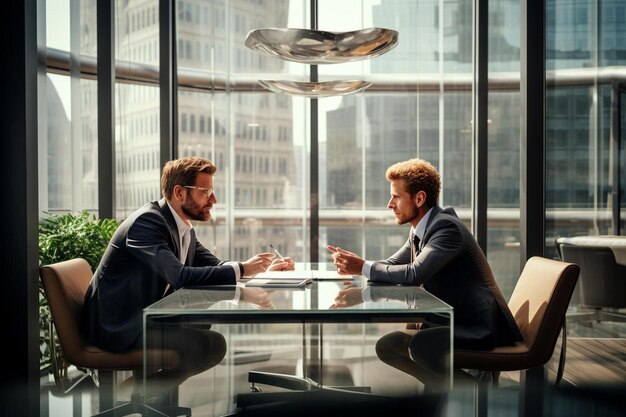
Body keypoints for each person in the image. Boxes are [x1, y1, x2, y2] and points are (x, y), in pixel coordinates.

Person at [80, 156, 294, 403]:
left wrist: (262, 270)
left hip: (146, 316)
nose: (213, 200)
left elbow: (216, 266)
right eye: (206, 192)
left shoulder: (182, 228)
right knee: (207, 345)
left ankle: (143, 391)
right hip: (117, 326)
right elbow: (179, 276)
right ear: (179, 192)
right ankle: (135, 391)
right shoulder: (147, 222)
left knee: (207, 330)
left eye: (212, 191)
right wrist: (244, 269)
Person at [327, 158, 521, 390]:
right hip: (451, 321)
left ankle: (478, 395)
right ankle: (452, 392)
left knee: (421, 346)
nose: (390, 204)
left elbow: (413, 274)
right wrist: (357, 265)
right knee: (388, 346)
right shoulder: (422, 230)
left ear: (419, 198)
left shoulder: (446, 228)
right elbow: (392, 265)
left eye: (396, 197)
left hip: (478, 327)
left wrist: (362, 266)